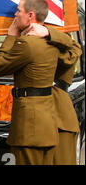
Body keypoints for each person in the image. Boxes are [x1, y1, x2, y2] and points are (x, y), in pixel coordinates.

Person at [0, 0, 60, 165]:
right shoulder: (53, 42)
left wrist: (11, 36)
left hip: (29, 126)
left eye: (18, 11)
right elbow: (73, 48)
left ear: (30, 15)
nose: (15, 15)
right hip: (47, 122)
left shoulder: (27, 44)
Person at [24, 23, 82, 164]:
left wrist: (48, 33)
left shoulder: (63, 46)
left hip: (58, 116)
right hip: (31, 118)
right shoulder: (25, 43)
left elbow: (74, 49)